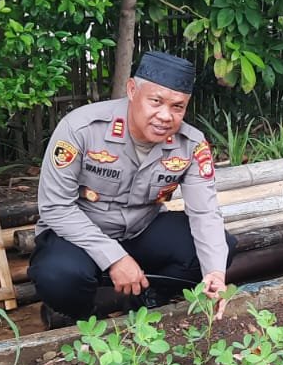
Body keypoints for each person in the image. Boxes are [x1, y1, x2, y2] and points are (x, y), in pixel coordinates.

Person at [29, 51, 235, 328]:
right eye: (156, 101)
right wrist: (115, 259)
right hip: (80, 237)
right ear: (131, 90)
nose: (165, 116)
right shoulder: (81, 128)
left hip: (140, 230)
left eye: (178, 106)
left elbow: (205, 213)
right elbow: (55, 207)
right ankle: (86, 316)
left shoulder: (191, 144)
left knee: (220, 247)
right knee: (58, 275)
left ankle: (143, 300)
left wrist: (216, 274)